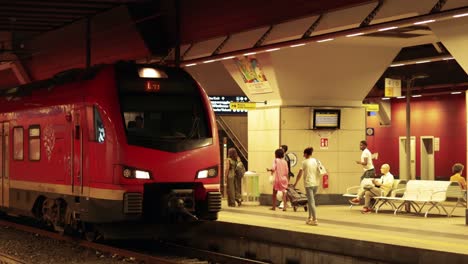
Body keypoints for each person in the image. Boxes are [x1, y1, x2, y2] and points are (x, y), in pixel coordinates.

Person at [293, 147, 319, 226]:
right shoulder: (315, 161)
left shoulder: (304, 162)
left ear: (306, 154)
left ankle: (314, 219)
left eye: (304, 153)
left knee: (311, 202)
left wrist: (295, 183)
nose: (303, 155)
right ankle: (309, 217)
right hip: (316, 183)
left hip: (308, 184)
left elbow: (300, 174)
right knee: (311, 201)